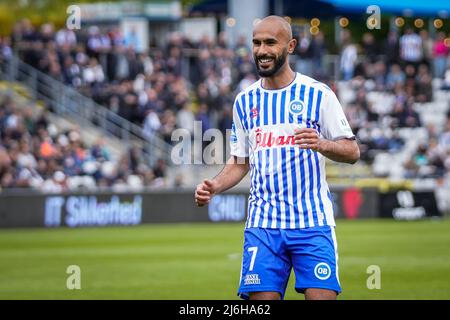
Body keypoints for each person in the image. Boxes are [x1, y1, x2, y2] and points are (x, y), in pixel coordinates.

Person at [194, 15, 360, 300]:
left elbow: (352, 151)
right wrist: (215, 186)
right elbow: (240, 161)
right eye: (256, 43)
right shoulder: (244, 101)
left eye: (270, 42)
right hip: (264, 225)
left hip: (312, 222)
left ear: (291, 46)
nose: (261, 50)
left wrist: (321, 144)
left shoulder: (318, 94)